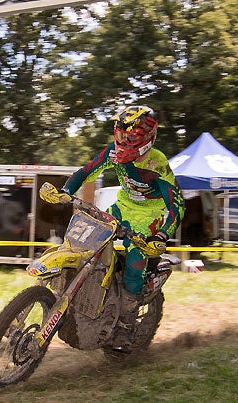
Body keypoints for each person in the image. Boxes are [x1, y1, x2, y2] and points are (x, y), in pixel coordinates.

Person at [60, 105, 185, 331]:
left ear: (148, 137)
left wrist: (162, 235)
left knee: (136, 262)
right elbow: (87, 171)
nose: (125, 143)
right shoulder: (112, 153)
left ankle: (127, 322)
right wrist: (66, 191)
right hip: (120, 208)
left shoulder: (157, 163)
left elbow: (177, 204)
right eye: (121, 136)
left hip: (149, 217)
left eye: (132, 137)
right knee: (87, 243)